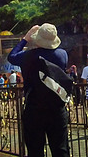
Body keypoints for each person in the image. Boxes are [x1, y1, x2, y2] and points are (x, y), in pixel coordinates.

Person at [7, 23, 70, 157]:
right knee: (60, 149)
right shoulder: (62, 55)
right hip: (57, 108)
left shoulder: (27, 56)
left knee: (35, 151)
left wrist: (26, 38)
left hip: (34, 108)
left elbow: (11, 56)